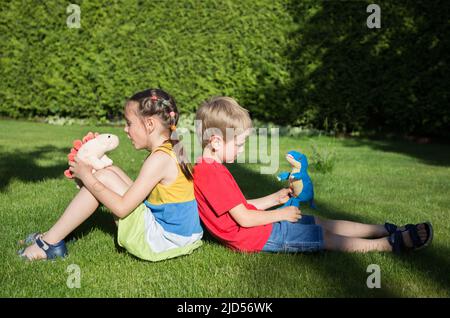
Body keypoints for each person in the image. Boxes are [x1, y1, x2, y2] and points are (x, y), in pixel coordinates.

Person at [193, 96, 433, 254]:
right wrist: (281, 213)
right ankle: (390, 244)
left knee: (320, 222)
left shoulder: (210, 168)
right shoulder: (210, 173)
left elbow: (238, 207)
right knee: (323, 236)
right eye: (239, 143)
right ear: (216, 141)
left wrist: (274, 199)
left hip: (257, 228)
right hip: (254, 237)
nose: (242, 149)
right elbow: (243, 219)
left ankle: (383, 228)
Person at [19, 88, 203, 261]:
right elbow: (146, 195)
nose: (125, 129)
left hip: (163, 241)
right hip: (181, 234)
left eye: (129, 123)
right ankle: (59, 233)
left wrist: (87, 176)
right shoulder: (170, 148)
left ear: (149, 124)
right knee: (109, 171)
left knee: (103, 177)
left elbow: (122, 208)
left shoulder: (159, 159)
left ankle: (49, 244)